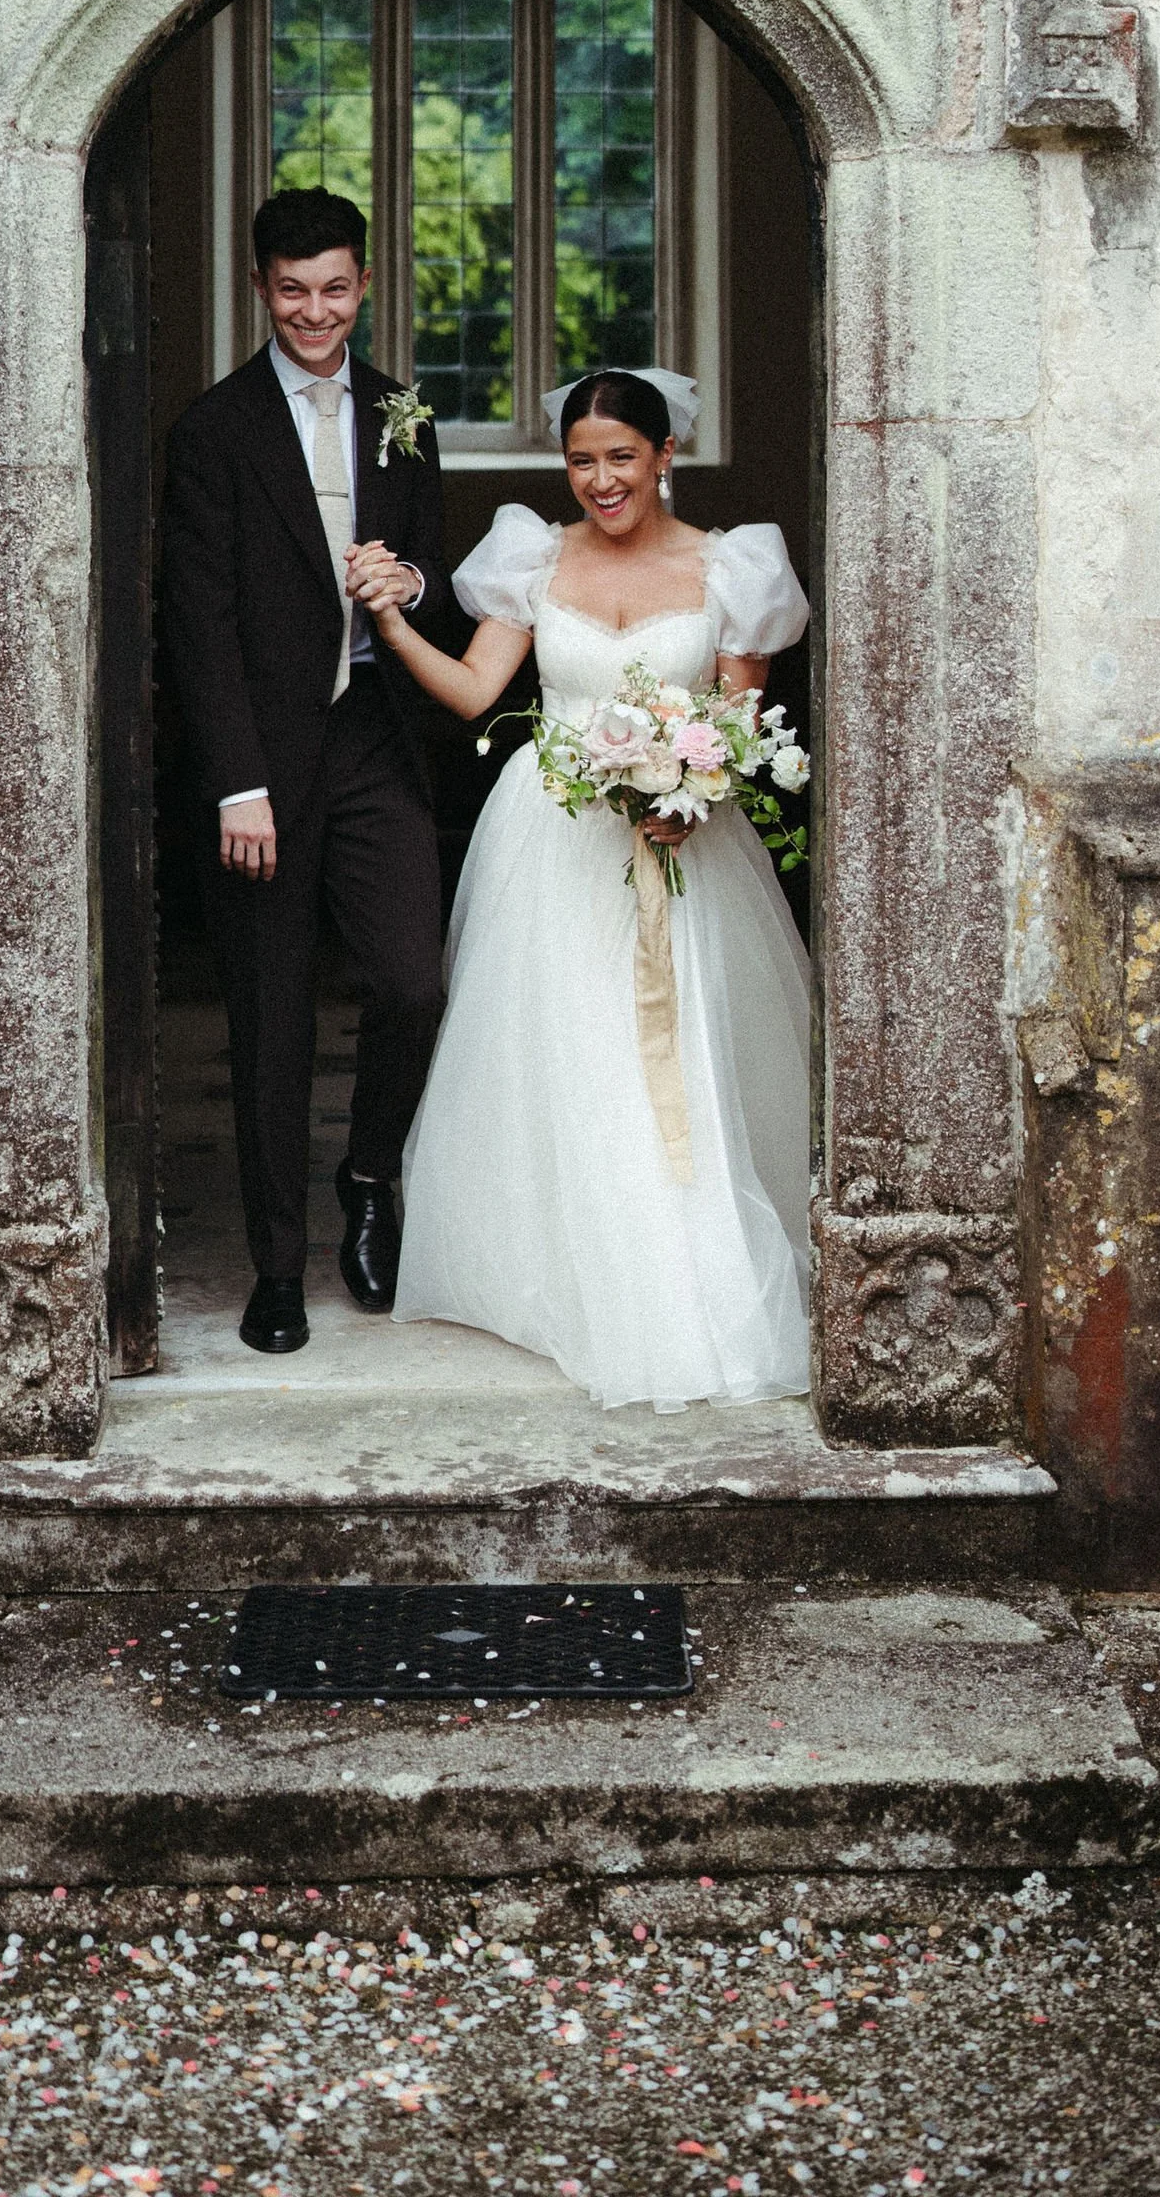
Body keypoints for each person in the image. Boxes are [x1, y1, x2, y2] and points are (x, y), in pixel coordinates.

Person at [346, 365, 813, 1410]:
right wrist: (390, 625)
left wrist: (690, 794)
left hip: (677, 842)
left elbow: (735, 719)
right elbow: (474, 692)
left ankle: (673, 1271)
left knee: (670, 1052)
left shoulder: (731, 567)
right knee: (560, 1047)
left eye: (619, 458)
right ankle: (559, 1270)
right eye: (579, 460)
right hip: (548, 838)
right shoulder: (530, 556)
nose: (599, 481)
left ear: (662, 458)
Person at [160, 187, 453, 1356]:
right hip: (264, 764)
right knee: (270, 1020)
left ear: (364, 286)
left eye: (334, 288)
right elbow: (197, 622)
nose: (313, 311)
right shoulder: (213, 430)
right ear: (259, 290)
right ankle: (276, 1270)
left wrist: (411, 586)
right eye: (291, 290)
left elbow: (431, 558)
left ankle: (369, 1176)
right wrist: (237, 782)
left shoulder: (404, 415)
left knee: (412, 982)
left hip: (375, 738)